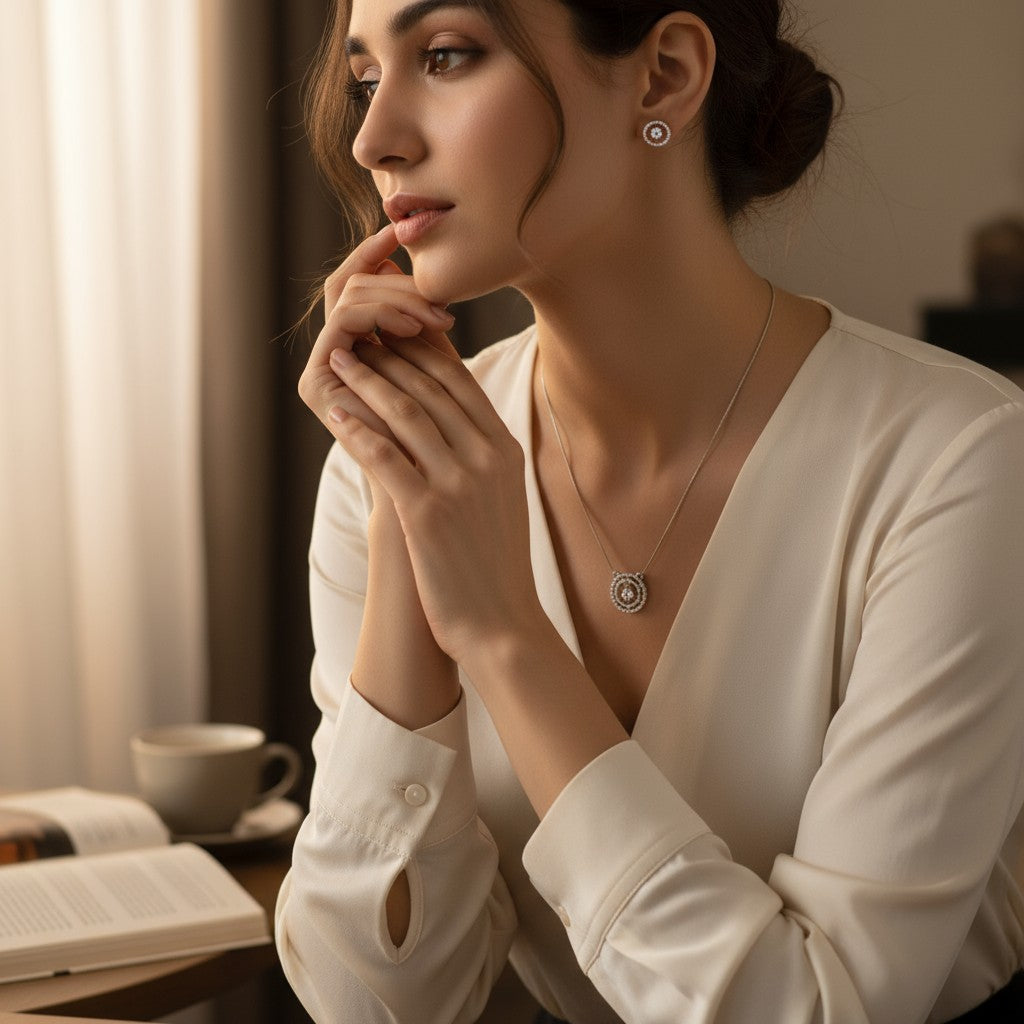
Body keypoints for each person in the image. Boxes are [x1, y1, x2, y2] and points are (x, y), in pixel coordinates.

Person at [276, 1, 1024, 1021]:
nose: (373, 138)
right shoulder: (396, 471)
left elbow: (818, 1009)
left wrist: (503, 634)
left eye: (444, 56)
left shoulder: (958, 463)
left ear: (665, 74)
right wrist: (410, 521)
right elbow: (378, 1007)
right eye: (366, 79)